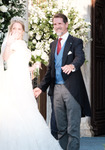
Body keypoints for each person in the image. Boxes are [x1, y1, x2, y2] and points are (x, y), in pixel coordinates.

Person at [0, 17, 62, 150]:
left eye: (19, 29)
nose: (16, 31)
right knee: (16, 110)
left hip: (23, 81)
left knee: (28, 110)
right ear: (11, 30)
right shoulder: (9, 43)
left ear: (23, 31)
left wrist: (33, 67)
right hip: (13, 80)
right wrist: (9, 44)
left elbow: (21, 66)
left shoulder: (23, 44)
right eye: (14, 28)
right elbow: (5, 59)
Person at [33, 13, 91, 150]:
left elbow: (80, 57)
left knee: (73, 128)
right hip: (56, 90)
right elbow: (50, 71)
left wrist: (72, 66)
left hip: (72, 90)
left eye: (59, 23)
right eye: (54, 24)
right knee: (61, 128)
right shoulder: (53, 44)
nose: (57, 26)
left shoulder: (76, 42)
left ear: (66, 24)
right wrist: (41, 88)